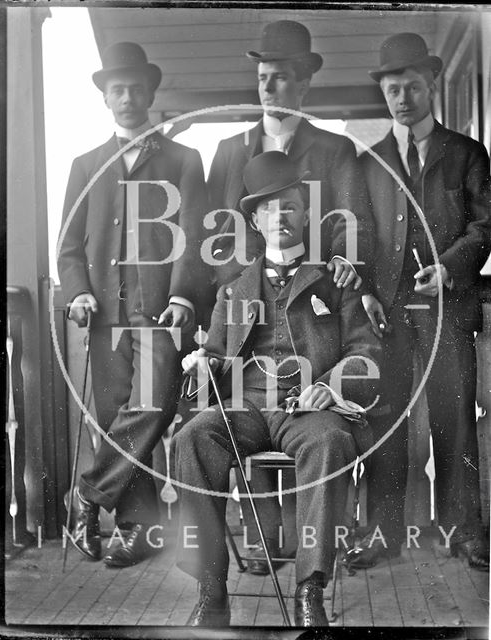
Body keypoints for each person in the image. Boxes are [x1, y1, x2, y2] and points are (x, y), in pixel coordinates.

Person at [173, 151, 382, 627]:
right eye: (268, 209)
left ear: (304, 212)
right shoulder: (234, 290)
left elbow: (366, 355)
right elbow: (220, 360)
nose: (280, 216)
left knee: (330, 440)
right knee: (192, 437)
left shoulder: (334, 280)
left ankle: (311, 590)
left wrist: (330, 386)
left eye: (289, 205)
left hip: (309, 411)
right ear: (254, 219)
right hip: (247, 407)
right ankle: (211, 590)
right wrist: (203, 364)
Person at [207, 19, 376, 573]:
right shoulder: (231, 151)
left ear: (304, 86)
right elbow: (217, 238)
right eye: (262, 78)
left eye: (282, 79)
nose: (269, 88)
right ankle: (262, 537)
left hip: (313, 293)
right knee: (248, 390)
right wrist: (245, 289)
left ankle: (307, 559)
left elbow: (351, 231)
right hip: (248, 298)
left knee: (301, 408)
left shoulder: (333, 149)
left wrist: (337, 274)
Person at [57, 42, 209, 568]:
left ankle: (88, 495)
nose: (127, 96)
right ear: (105, 96)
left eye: (135, 87)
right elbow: (69, 246)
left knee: (150, 408)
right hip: (103, 319)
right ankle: (132, 530)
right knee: (116, 417)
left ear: (150, 92)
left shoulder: (183, 160)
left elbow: (193, 236)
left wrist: (184, 294)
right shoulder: (85, 166)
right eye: (117, 88)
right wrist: (77, 290)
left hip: (158, 314)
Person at [351, 32, 491, 570]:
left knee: (453, 422)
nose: (402, 97)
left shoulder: (466, 152)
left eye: (411, 86)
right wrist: (365, 289)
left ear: (431, 84)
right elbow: (356, 234)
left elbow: (485, 224)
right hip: (385, 316)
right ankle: (382, 532)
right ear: (384, 94)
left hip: (449, 310)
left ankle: (463, 532)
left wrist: (450, 267)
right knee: (384, 422)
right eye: (392, 89)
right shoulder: (369, 162)